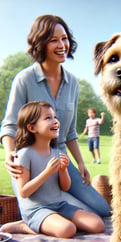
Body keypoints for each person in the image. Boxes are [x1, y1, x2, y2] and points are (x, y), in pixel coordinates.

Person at [0, 15, 111, 230]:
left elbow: (69, 132)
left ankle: (57, 208)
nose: (62, 45)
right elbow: (10, 125)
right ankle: (34, 221)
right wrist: (10, 154)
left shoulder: (73, 83)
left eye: (65, 39)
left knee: (101, 210)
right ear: (41, 43)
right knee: (54, 213)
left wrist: (80, 163)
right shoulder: (25, 79)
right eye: (53, 40)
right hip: (30, 162)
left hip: (60, 159)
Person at [2, 101, 105, 238]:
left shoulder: (56, 153)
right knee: (68, 230)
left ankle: (54, 223)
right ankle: (23, 225)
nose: (55, 121)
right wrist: (47, 172)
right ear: (32, 128)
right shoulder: (24, 155)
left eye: (55, 117)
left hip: (59, 205)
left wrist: (63, 171)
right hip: (37, 209)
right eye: (48, 118)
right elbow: (23, 192)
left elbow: (65, 187)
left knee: (97, 225)